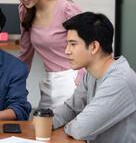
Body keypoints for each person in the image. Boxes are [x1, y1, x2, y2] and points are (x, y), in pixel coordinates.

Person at [7, 0, 86, 109]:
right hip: (49, 82)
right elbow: (25, 52)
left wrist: (80, 82)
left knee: (67, 131)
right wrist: (16, 83)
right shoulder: (24, 10)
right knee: (42, 129)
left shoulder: (67, 9)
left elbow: (89, 45)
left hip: (74, 80)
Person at [52, 12, 136, 142]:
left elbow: (81, 129)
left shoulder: (119, 80)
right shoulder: (91, 75)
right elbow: (71, 108)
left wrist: (70, 125)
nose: (67, 51)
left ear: (94, 47)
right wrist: (46, 120)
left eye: (73, 44)